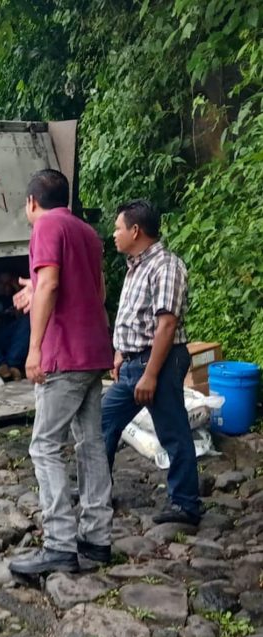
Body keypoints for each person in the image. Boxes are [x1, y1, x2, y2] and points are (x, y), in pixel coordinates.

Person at [8, 169, 115, 575]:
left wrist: (34, 348)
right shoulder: (86, 233)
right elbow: (95, 291)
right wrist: (35, 287)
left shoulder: (46, 225)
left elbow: (51, 284)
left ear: (33, 202)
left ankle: (58, 544)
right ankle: (97, 538)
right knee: (90, 444)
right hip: (93, 352)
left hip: (63, 354)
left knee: (44, 446)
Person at [102, 199, 202, 525]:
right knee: (103, 420)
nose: (113, 233)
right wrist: (120, 353)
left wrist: (150, 374)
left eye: (118, 227)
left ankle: (185, 505)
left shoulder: (165, 266)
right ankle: (97, 490)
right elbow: (134, 318)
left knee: (172, 431)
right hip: (133, 364)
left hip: (158, 362)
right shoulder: (136, 267)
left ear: (135, 230)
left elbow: (166, 325)